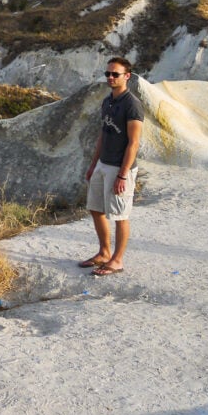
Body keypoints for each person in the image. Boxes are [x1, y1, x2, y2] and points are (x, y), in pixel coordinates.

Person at [80, 56, 144, 276]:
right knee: (96, 208)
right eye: (107, 73)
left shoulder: (132, 105)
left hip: (119, 167)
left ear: (127, 76)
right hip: (103, 164)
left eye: (115, 74)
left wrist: (123, 175)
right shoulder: (108, 101)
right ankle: (104, 252)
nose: (110, 77)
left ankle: (117, 260)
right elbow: (102, 134)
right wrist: (93, 164)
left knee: (120, 215)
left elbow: (133, 143)